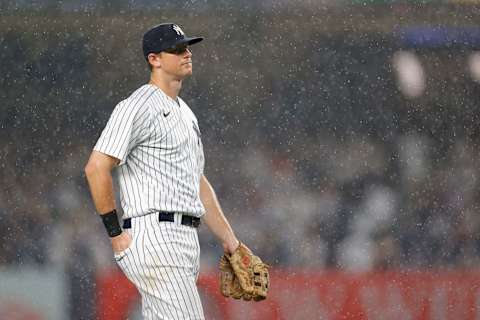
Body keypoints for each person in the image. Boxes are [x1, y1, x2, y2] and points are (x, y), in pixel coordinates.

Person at [84, 23, 241, 319]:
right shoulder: (138, 105)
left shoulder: (185, 112)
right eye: (177, 49)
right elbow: (96, 167)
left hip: (182, 237)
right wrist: (114, 234)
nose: (186, 53)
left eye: (187, 47)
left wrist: (230, 241)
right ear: (154, 59)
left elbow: (197, 182)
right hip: (154, 235)